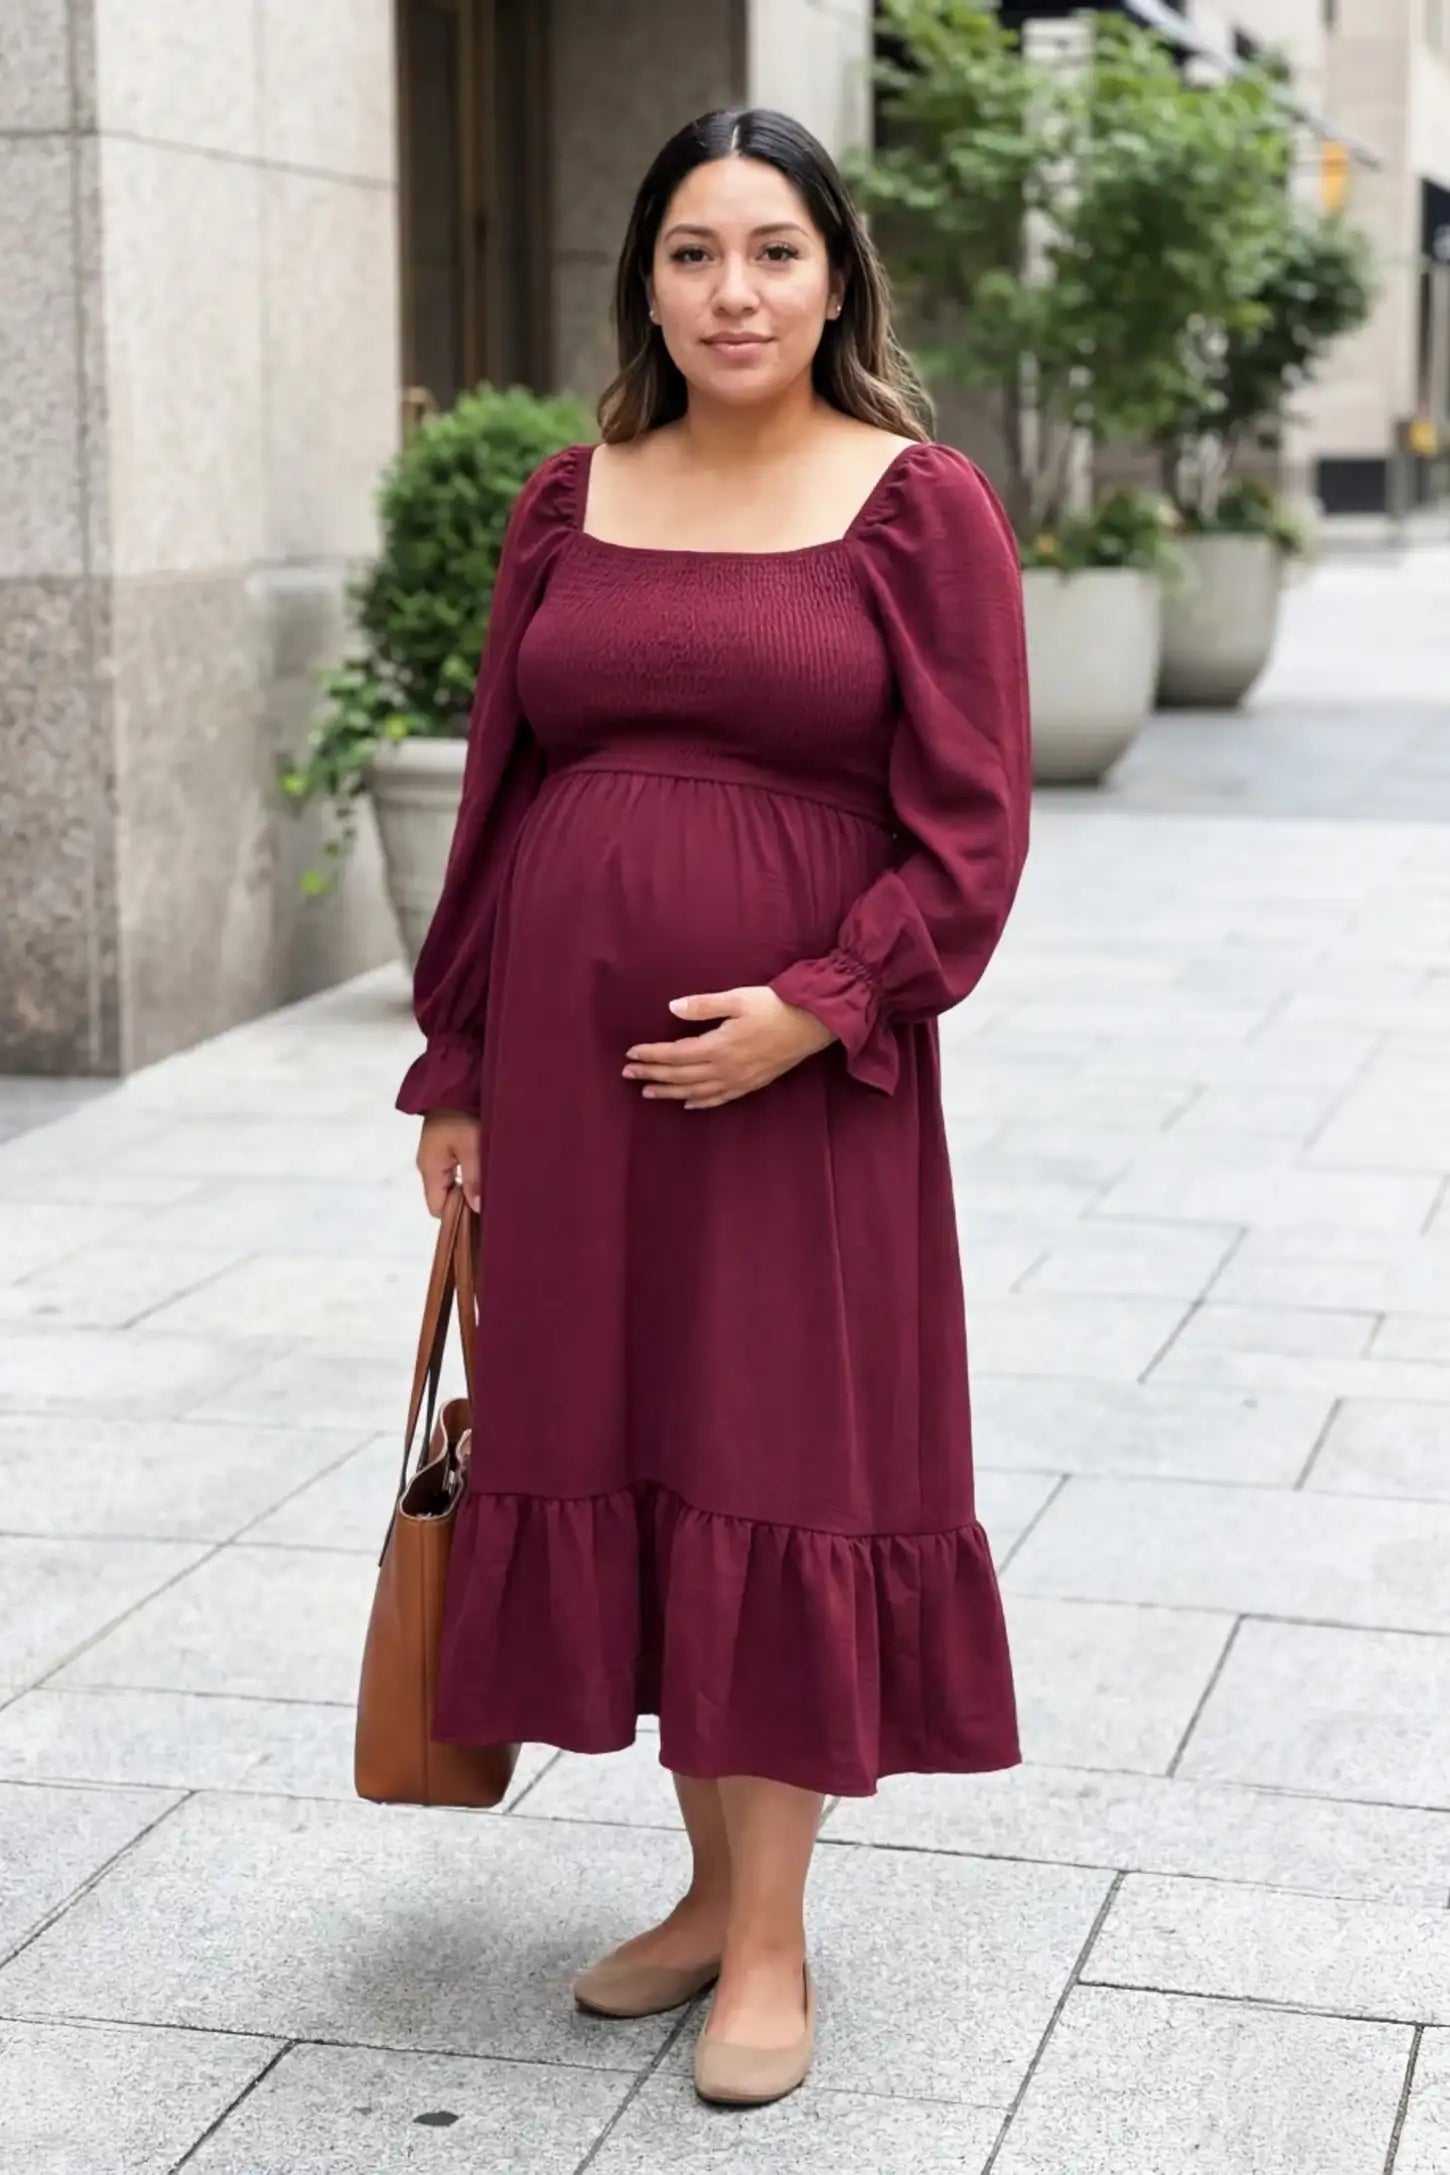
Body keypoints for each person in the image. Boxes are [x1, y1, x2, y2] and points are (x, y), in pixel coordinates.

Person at [398, 105, 1031, 2110]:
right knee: (634, 1447)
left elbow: (971, 828)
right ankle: (698, 1890)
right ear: (646, 284)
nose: (731, 291)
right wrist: (458, 1066)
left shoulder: (915, 506)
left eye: (771, 250)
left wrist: (818, 1005)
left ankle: (771, 1933)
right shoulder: (566, 498)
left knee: (773, 1455)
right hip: (572, 1095)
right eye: (692, 253)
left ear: (835, 278)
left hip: (798, 1094)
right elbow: (496, 798)